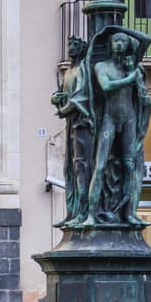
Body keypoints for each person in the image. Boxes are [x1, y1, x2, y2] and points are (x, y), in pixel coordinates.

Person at [84, 28, 151, 226]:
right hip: (109, 119)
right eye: (116, 41)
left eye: (123, 41)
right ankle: (91, 215)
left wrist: (120, 29)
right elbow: (106, 86)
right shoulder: (101, 66)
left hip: (129, 118)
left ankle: (129, 213)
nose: (120, 44)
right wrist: (131, 78)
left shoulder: (130, 64)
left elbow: (146, 39)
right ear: (110, 45)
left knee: (130, 166)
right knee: (100, 166)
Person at [51, 36, 92, 226]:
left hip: (82, 123)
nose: (70, 48)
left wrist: (62, 109)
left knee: (82, 166)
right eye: (69, 44)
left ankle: (84, 212)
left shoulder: (84, 69)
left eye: (75, 45)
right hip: (71, 123)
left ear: (82, 49)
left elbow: (80, 98)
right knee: (70, 168)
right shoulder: (68, 72)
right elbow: (65, 96)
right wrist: (56, 98)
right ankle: (72, 211)